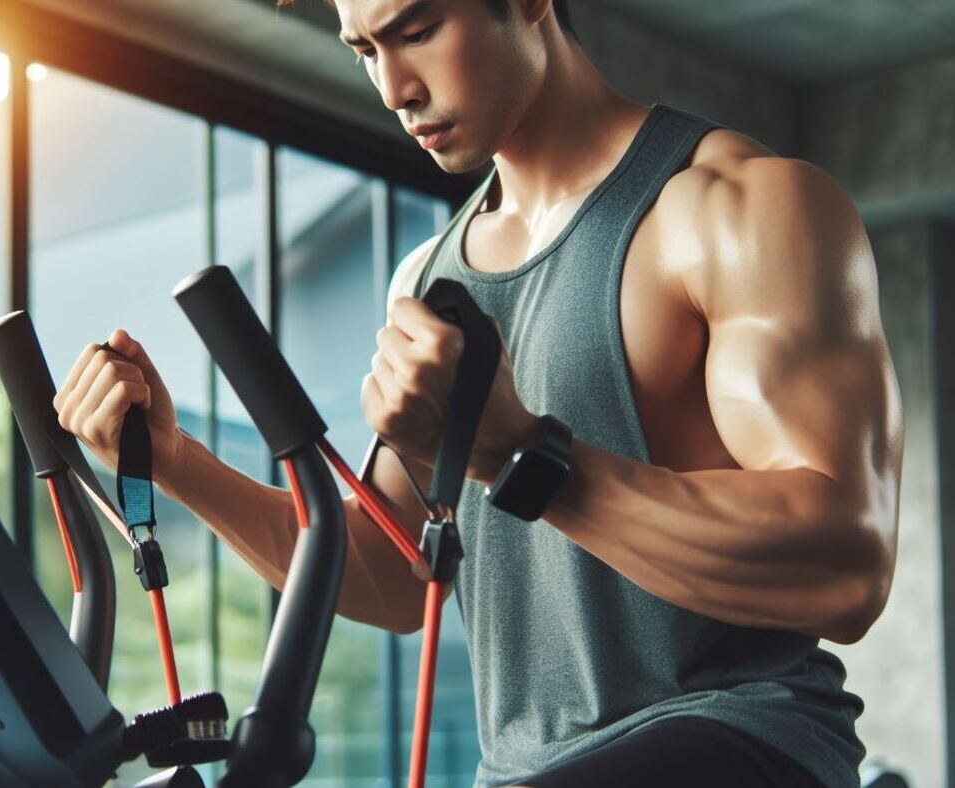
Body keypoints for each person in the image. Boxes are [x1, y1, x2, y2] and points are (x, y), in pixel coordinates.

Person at [52, 0, 903, 785]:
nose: (394, 89)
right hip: (522, 768)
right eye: (365, 51)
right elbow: (391, 574)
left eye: (417, 30)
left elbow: (843, 563)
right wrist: (178, 464)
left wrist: (522, 457)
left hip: (741, 738)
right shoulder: (426, 280)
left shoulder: (739, 208)